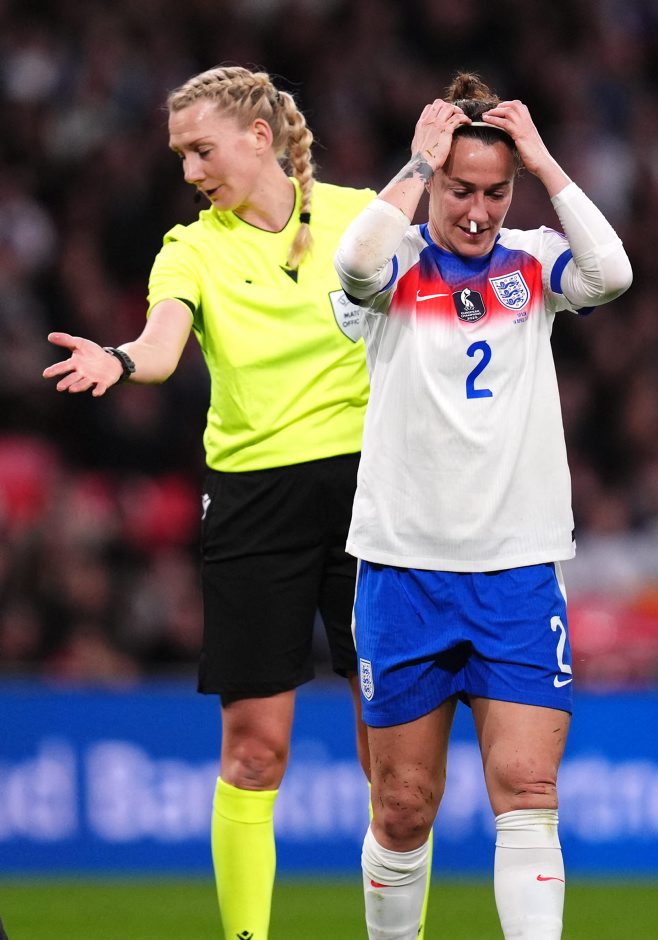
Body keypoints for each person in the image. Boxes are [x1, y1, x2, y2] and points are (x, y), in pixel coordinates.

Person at [42, 64, 400, 940]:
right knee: (253, 752)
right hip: (254, 503)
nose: (190, 170)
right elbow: (161, 346)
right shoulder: (189, 248)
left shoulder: (361, 217)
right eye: (179, 155)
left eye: (201, 150)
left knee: (393, 765)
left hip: (374, 497)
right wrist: (117, 360)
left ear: (259, 137)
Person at [334, 72, 633, 939]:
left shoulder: (533, 261)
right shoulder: (395, 264)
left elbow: (611, 273)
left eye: (495, 192)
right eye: (459, 188)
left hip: (515, 570)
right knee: (401, 807)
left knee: (529, 790)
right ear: (432, 179)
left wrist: (543, 161)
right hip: (403, 569)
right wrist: (413, 164)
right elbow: (352, 264)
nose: (477, 211)